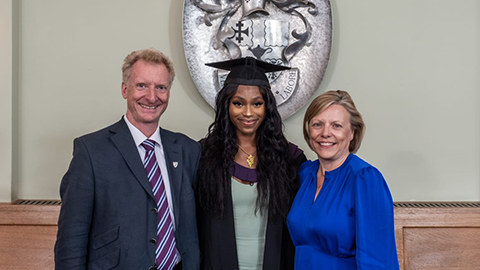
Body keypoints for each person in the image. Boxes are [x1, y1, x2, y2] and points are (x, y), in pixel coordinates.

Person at [54, 48, 200, 270]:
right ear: (124, 89)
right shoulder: (91, 151)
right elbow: (71, 239)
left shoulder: (188, 150)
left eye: (161, 87)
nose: (152, 97)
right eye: (142, 85)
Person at [196, 57, 307, 270]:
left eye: (257, 103)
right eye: (238, 103)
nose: (248, 112)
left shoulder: (289, 159)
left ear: (267, 107)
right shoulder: (204, 156)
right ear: (226, 105)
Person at [287, 90, 399, 269]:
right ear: (309, 131)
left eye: (336, 126)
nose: (325, 133)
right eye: (317, 124)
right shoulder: (304, 174)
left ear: (352, 132)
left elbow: (377, 259)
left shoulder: (365, 179)